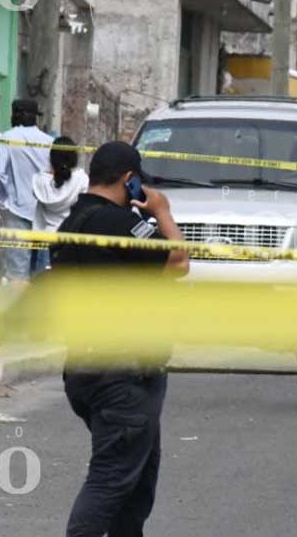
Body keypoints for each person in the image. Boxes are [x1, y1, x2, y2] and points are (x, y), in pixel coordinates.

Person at [50, 142, 188, 537]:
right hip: (122, 375)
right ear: (130, 180)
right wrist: (161, 211)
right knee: (112, 482)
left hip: (89, 367)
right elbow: (178, 262)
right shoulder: (118, 223)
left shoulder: (72, 223)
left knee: (136, 485)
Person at [0, 99, 55, 282]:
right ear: (35, 117)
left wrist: (4, 198)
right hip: (43, 211)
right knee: (40, 270)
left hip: (17, 210)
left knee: (17, 271)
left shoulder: (7, 137)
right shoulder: (50, 141)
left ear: (15, 115)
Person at [31, 136, 88, 273]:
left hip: (45, 239)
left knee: (41, 285)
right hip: (70, 240)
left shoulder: (39, 181)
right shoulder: (81, 179)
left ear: (51, 157)